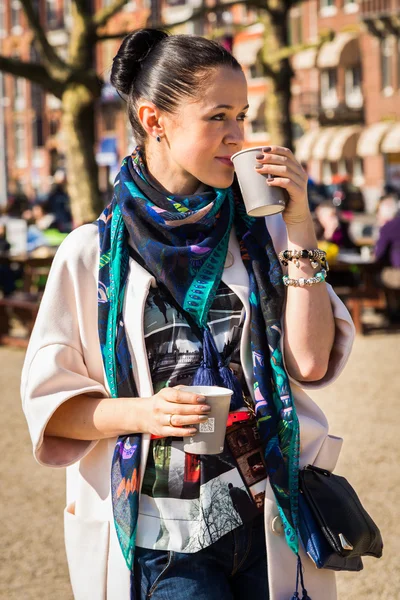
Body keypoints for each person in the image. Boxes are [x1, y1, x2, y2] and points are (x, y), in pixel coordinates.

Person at [21, 29, 355, 600]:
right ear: (155, 120)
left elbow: (309, 360)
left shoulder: (263, 234)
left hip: (267, 513)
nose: (238, 136)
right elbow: (53, 409)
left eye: (243, 116)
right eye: (218, 116)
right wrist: (145, 413)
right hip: (163, 534)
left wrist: (300, 226)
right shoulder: (91, 253)